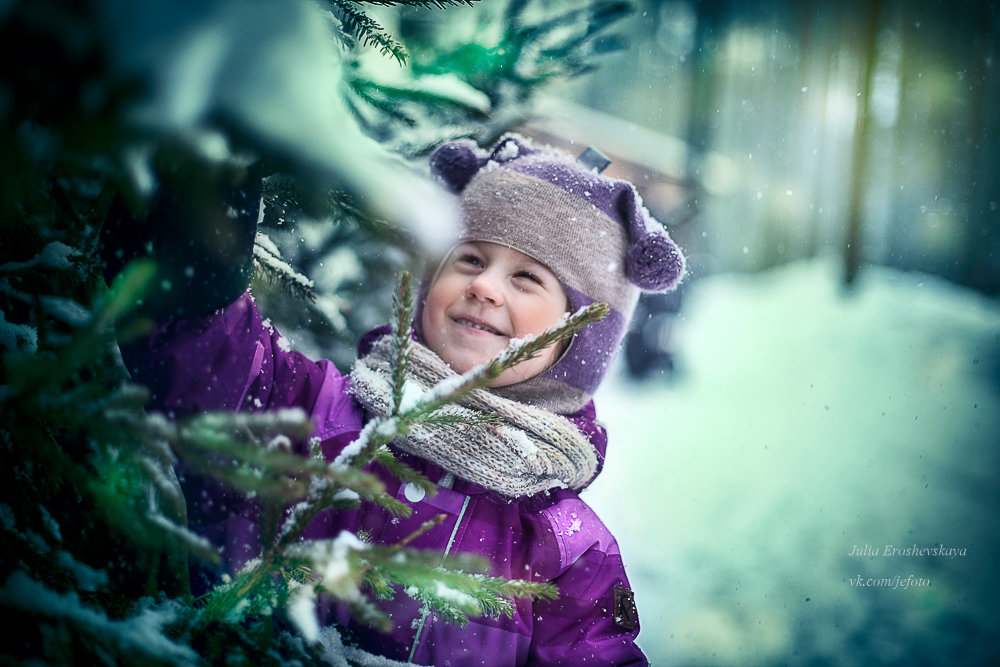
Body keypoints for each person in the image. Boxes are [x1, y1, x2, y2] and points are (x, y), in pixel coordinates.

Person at [103, 133, 684, 665]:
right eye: (471, 260)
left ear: (580, 340)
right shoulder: (315, 412)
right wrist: (200, 235)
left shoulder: (569, 549)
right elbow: (202, 355)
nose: (483, 286)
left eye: (526, 278)